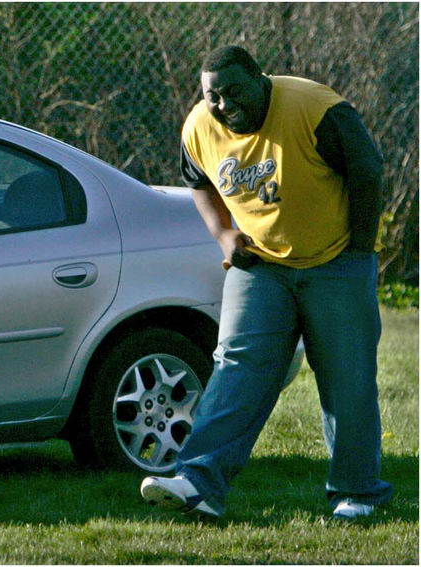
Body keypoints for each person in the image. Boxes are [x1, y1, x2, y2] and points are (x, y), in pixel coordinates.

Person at [140, 45, 392, 521]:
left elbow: (367, 168)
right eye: (213, 95)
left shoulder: (315, 108)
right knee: (236, 367)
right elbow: (198, 181)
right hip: (260, 265)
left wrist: (358, 253)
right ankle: (198, 482)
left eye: (234, 90)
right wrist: (222, 234)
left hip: (334, 261)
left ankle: (357, 492)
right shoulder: (199, 125)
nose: (223, 104)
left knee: (346, 377)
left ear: (262, 79)